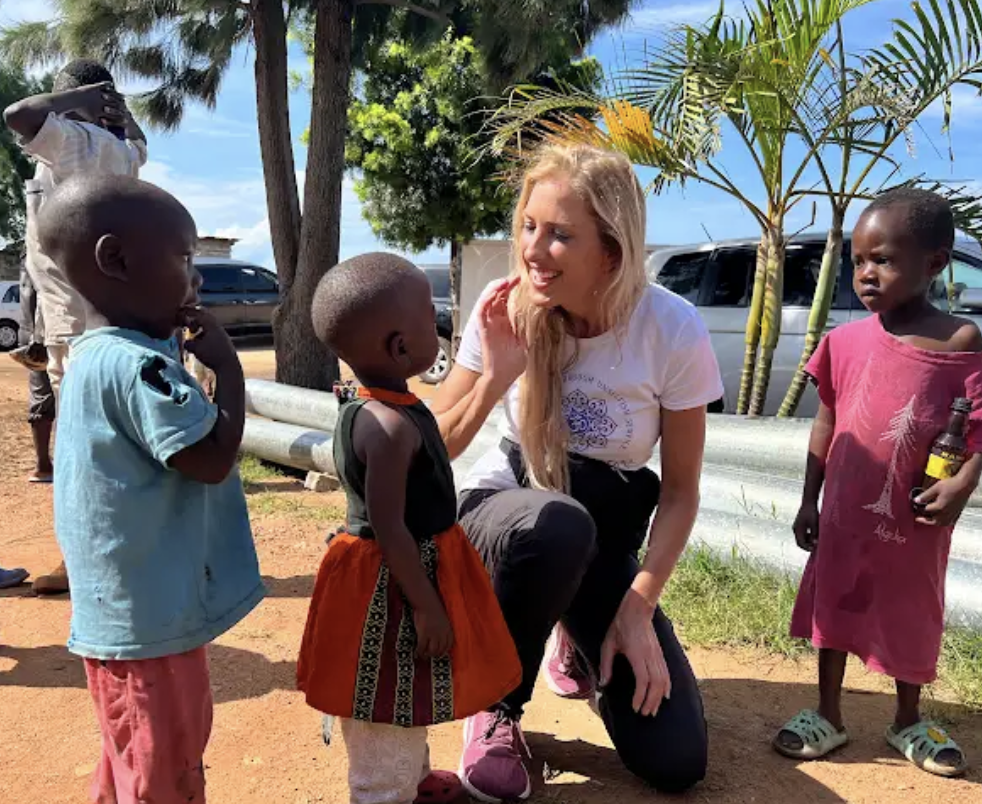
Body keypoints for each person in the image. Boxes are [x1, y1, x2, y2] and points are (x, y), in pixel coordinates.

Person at [429, 144, 723, 801]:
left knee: (676, 759)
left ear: (611, 252)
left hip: (599, 535)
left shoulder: (672, 330)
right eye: (529, 226)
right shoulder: (503, 308)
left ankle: (569, 621)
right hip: (506, 515)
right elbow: (430, 449)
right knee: (556, 523)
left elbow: (680, 493)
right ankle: (496, 707)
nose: (533, 249)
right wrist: (495, 376)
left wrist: (637, 609)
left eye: (560, 234)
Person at [37, 173, 265, 803]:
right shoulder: (138, 368)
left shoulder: (93, 356)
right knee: (162, 768)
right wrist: (229, 372)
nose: (196, 279)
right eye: (184, 259)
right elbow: (211, 460)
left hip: (125, 614)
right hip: (148, 622)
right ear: (116, 259)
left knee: (132, 760)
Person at [296, 253, 521, 804]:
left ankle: (414, 780)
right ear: (399, 348)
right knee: (383, 698)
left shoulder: (386, 403)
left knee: (409, 686)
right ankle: (383, 792)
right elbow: (389, 527)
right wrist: (426, 606)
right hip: (393, 588)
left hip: (403, 574)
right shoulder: (388, 428)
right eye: (427, 315)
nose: (438, 322)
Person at [773, 188, 982, 778]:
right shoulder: (842, 342)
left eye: (883, 260)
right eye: (859, 260)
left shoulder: (961, 343)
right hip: (843, 517)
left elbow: (978, 429)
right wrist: (808, 500)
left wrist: (963, 485)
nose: (866, 273)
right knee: (835, 604)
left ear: (935, 263)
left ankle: (908, 719)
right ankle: (828, 713)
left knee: (912, 610)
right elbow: (826, 420)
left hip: (914, 520)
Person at [4, 57, 147, 595]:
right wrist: (117, 107)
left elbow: (18, 114)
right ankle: (117, 554)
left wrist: (80, 100)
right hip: (91, 320)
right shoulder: (121, 150)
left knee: (80, 449)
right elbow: (140, 141)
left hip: (75, 325)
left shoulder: (75, 141)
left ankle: (83, 561)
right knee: (108, 443)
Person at [18, 264, 55, 485]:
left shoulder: (29, 252)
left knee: (41, 392)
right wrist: (37, 337)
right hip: (50, 331)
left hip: (35, 330)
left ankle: (43, 465)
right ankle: (44, 465)